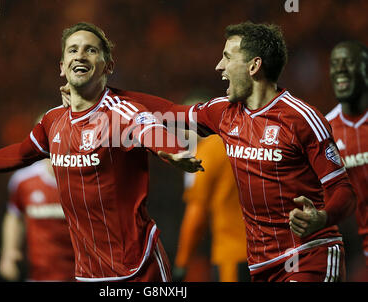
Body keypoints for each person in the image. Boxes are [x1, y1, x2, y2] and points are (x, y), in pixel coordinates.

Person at [67, 21, 357, 282]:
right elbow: (169, 112)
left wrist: (322, 217)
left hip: (310, 255)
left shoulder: (302, 119)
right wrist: (100, 94)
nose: (219, 66)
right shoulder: (224, 113)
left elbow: (343, 189)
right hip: (259, 265)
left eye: (228, 58)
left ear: (253, 66)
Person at [0, 22, 203, 282]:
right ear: (62, 66)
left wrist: (173, 150)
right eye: (73, 50)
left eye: (90, 50)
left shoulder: (120, 112)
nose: (80, 55)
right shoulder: (52, 121)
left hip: (138, 267)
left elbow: (149, 129)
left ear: (108, 67)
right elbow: (21, 154)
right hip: (87, 272)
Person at [173, 133, 249, 282]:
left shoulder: (209, 150)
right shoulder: (250, 139)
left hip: (233, 254)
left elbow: (197, 212)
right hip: (271, 253)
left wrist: (181, 263)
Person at [325, 41, 368, 269]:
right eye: (334, 64)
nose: (340, 68)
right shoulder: (325, 131)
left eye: (349, 62)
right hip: (355, 254)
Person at [0, 158, 75, 282]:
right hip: (39, 275)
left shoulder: (87, 179)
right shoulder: (23, 180)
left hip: (82, 274)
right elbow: (14, 215)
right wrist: (9, 252)